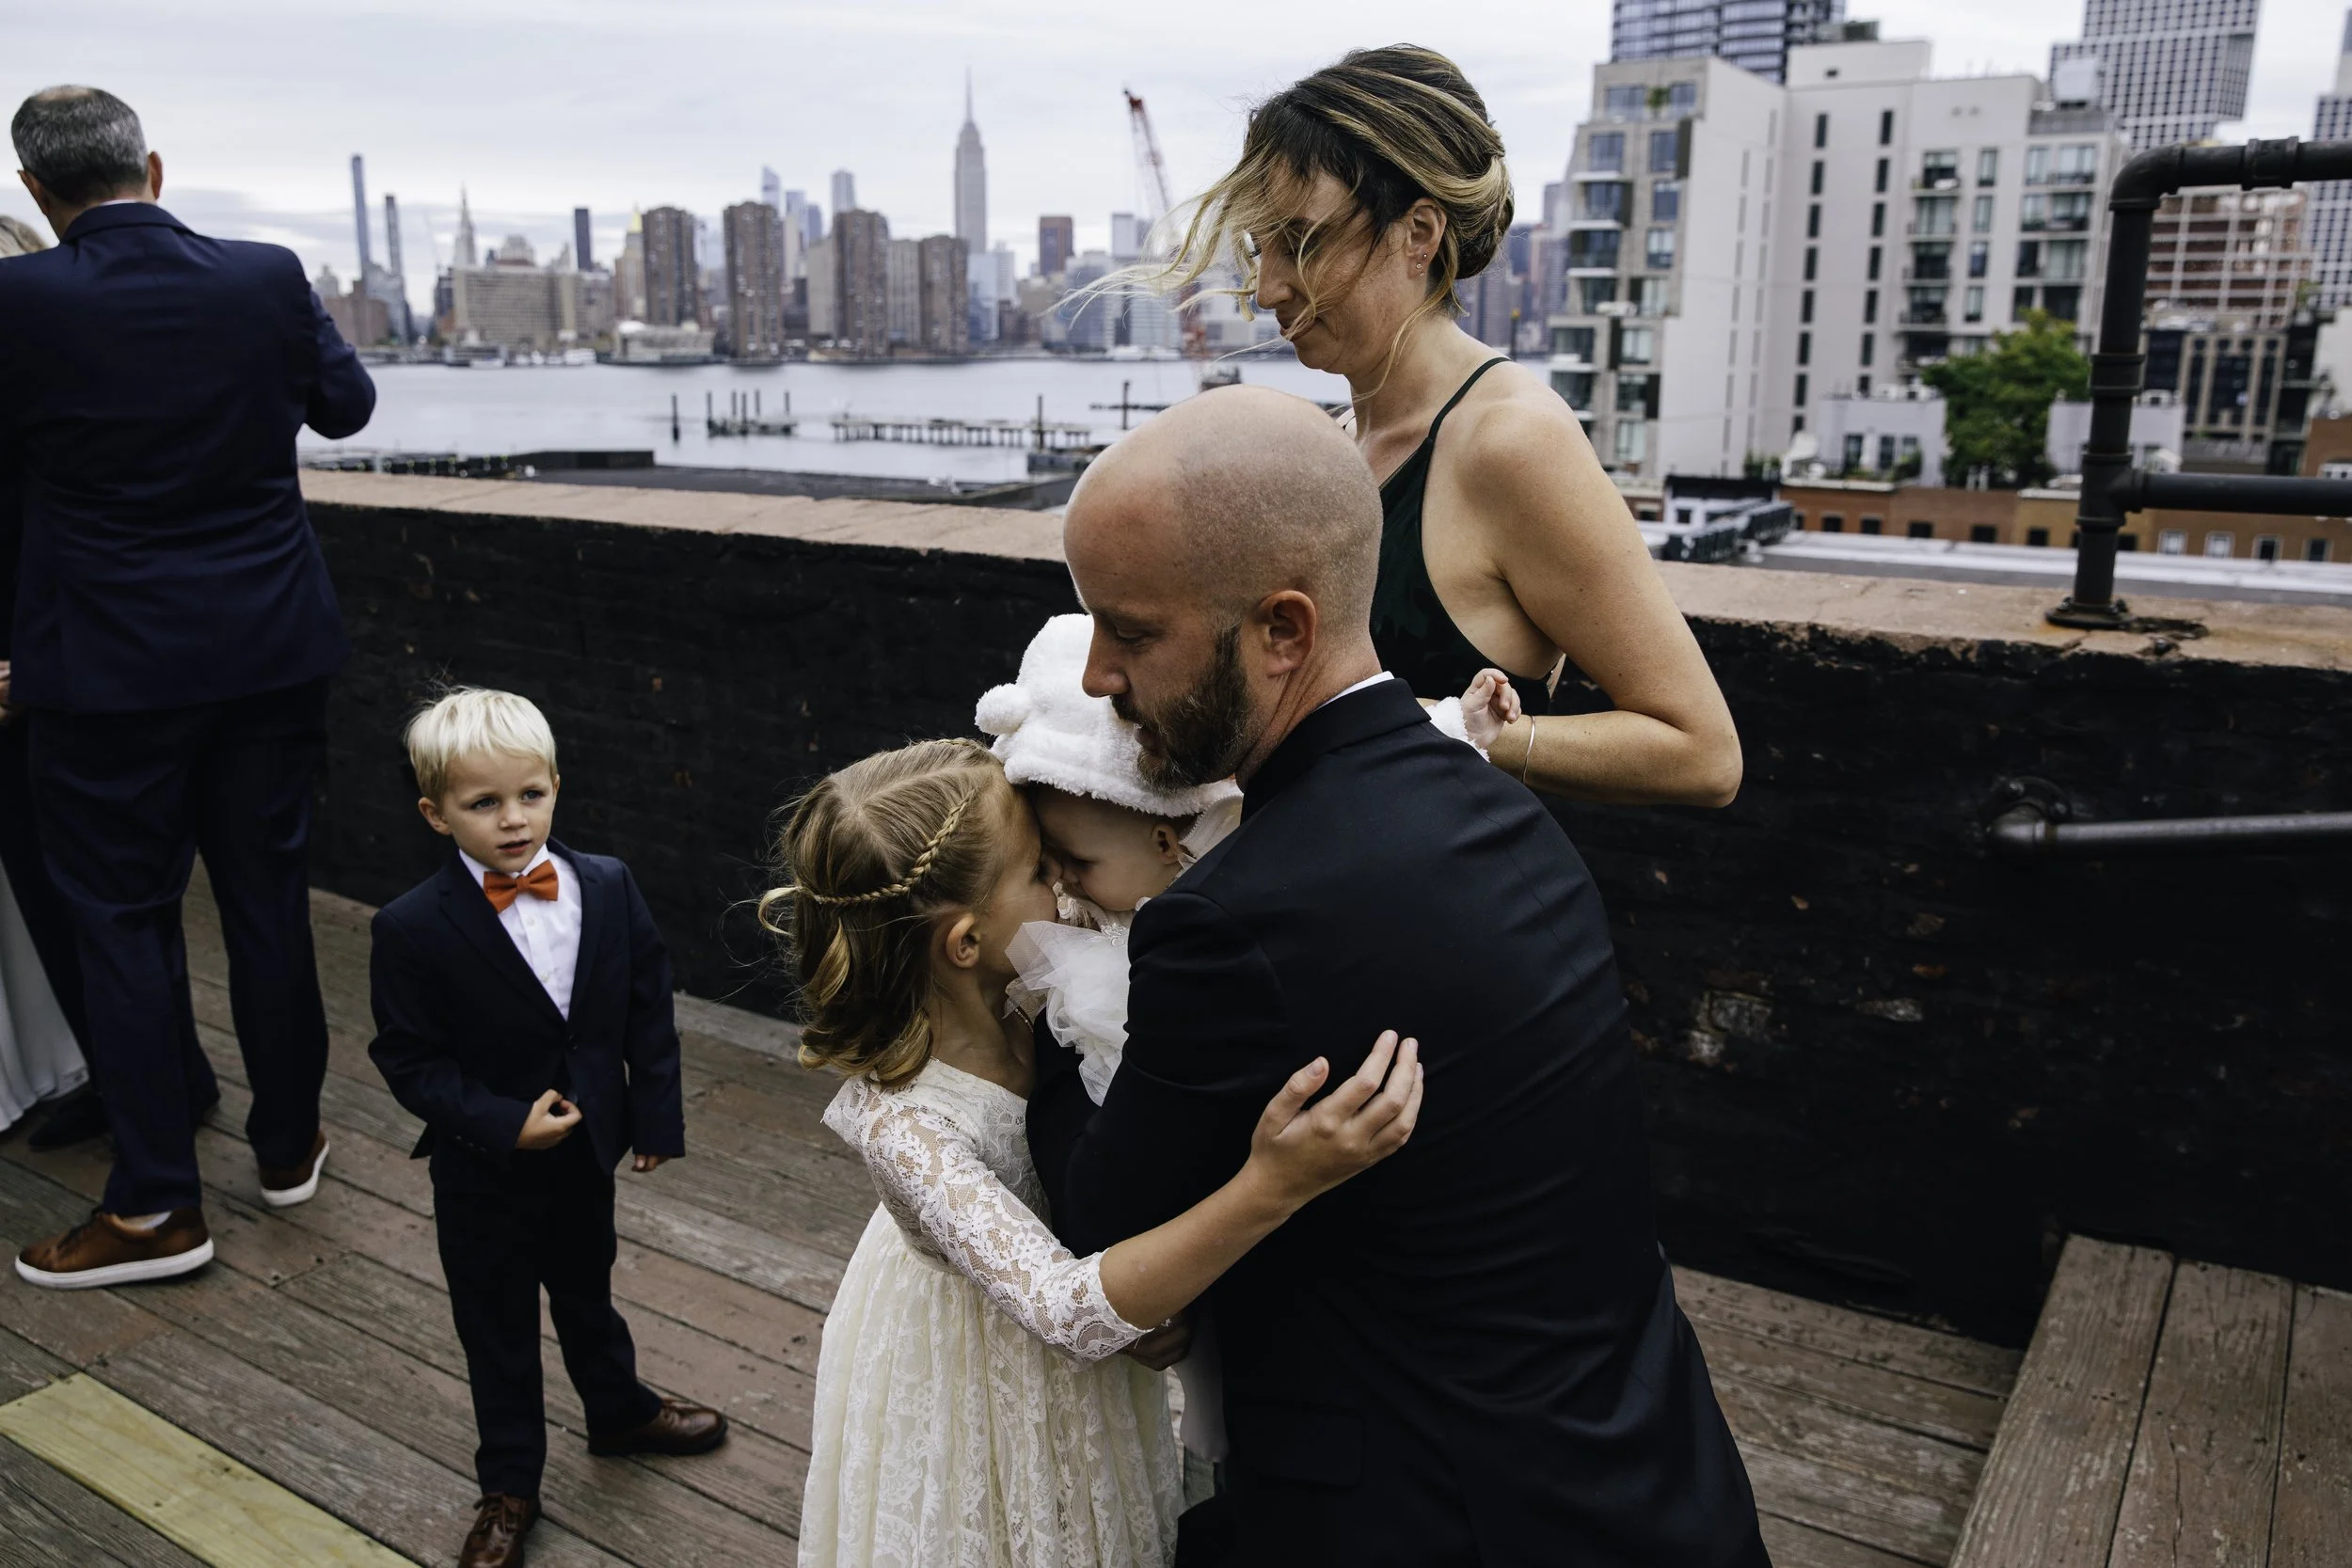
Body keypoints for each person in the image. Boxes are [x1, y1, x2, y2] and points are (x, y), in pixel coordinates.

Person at [1026, 386, 1769, 1567]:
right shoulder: (1503, 808)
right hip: (1643, 1468)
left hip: (1421, 1514)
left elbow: (1108, 1221)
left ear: (1283, 629)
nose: (1102, 675)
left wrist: (1045, 1006)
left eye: (1133, 630)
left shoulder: (1231, 918)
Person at [766, 736, 1422, 1568]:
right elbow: (1068, 1309)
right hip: (984, 1368)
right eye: (1042, 869)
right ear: (965, 943)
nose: (1068, 884)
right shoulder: (908, 1130)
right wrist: (1273, 1183)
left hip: (1096, 1320)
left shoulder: (1045, 968)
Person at [977, 611, 1513, 1512]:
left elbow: (1358, 784)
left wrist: (1462, 728)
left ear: (1162, 840)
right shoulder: (1099, 939)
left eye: (1074, 860)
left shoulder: (1222, 894)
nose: (1063, 885)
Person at [1156, 45, 1742, 807]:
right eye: (1260, 248)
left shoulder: (1509, 442)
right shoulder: (1338, 442)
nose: (1267, 288)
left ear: (1419, 234)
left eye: (1302, 242)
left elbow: (1702, 753)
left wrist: (1471, 734)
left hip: (1445, 914)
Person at [5, 86, 372, 1288]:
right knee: (267, 897)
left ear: (35, 193)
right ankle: (287, 1140)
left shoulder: (18, 302)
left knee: (122, 925)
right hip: (268, 647)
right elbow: (348, 407)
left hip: (104, 669)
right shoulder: (264, 277)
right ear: (152, 167)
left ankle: (159, 1203)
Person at [368, 689, 727, 1568]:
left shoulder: (605, 884)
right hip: (480, 1169)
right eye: (482, 804)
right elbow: (409, 1061)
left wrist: (653, 1114)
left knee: (587, 1290)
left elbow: (647, 1010)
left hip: (584, 1155)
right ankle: (510, 1484)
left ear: (556, 785)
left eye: (528, 794)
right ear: (434, 813)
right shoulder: (410, 926)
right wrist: (500, 1121)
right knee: (493, 1323)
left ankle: (618, 1411)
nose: (512, 819)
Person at [0, 209, 91, 1140]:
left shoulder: (48, 426)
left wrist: (28, 665)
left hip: (42, 681)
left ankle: (124, 1076)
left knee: (71, 895)